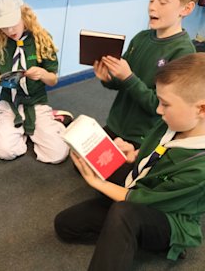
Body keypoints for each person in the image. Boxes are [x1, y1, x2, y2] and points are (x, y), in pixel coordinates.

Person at [54, 53, 205, 270]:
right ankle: (125, 235)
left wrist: (100, 184)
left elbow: (143, 199)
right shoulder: (175, 122)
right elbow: (155, 150)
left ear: (201, 108)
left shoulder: (200, 169)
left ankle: (142, 237)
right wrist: (133, 152)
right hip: (140, 181)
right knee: (65, 225)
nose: (158, 109)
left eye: (165, 104)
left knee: (123, 212)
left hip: (167, 217)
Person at [94, 0, 205, 149]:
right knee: (81, 160)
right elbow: (121, 82)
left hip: (142, 137)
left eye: (163, 2)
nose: (152, 7)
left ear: (186, 9)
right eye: (151, 0)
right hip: (117, 124)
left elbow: (158, 105)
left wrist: (128, 77)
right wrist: (108, 78)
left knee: (113, 173)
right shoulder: (140, 38)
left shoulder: (183, 53)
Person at [0, 0, 69, 164]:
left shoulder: (42, 39)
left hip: (36, 101)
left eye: (13, 23)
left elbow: (53, 80)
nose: (9, 30)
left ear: (24, 14)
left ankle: (55, 121)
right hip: (11, 103)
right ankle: (21, 128)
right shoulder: (0, 43)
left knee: (57, 155)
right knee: (4, 151)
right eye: (3, 26)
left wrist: (43, 73)